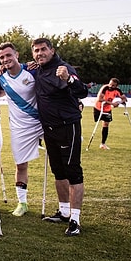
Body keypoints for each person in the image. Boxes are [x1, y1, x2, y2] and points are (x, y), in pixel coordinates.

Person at [32, 37, 88, 236]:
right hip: (49, 129)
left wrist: (69, 79)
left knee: (73, 171)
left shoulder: (63, 68)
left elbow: (82, 91)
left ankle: (75, 220)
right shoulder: (38, 68)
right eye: (36, 51)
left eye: (43, 50)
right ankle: (64, 212)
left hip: (67, 127)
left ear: (52, 50)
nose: (40, 53)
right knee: (58, 171)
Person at [0, 42, 43, 217]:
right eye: (2, 57)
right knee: (21, 164)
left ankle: (65, 206)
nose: (6, 59)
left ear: (16, 54)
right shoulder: (0, 77)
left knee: (58, 161)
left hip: (41, 121)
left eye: (9, 55)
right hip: (19, 127)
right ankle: (22, 203)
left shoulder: (32, 70)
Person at [94, 78, 127, 150]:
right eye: (110, 84)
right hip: (99, 107)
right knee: (97, 123)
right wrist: (112, 103)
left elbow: (124, 98)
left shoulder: (117, 90)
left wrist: (119, 102)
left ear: (116, 86)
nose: (110, 86)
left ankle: (103, 143)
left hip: (107, 109)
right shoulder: (105, 88)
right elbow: (99, 99)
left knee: (106, 124)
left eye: (113, 85)